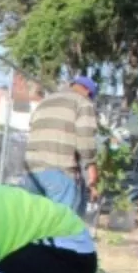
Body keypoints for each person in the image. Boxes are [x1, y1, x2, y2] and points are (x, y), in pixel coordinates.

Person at [22, 76, 99, 214]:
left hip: (31, 170)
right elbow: (85, 138)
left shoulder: (46, 101)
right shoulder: (83, 102)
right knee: (62, 224)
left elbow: (32, 128)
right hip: (59, 170)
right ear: (88, 91)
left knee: (31, 222)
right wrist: (91, 166)